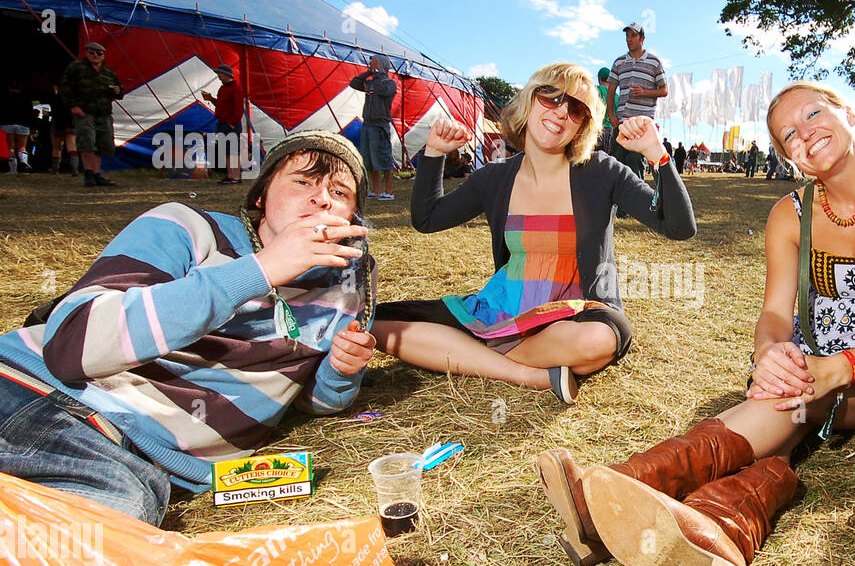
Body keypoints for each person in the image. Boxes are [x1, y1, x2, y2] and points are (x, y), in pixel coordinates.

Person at [536, 80, 855, 566]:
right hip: (805, 369)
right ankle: (718, 527)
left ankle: (625, 488)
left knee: (795, 399)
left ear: (848, 113)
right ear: (787, 155)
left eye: (815, 115)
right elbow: (776, 313)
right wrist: (769, 355)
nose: (806, 134)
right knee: (790, 397)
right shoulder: (790, 213)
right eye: (788, 135)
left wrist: (834, 370)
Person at [0, 131, 377, 525]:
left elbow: (310, 400)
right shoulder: (188, 228)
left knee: (100, 541)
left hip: (138, 466)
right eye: (303, 181)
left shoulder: (350, 283)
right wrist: (260, 270)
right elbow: (69, 346)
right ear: (260, 197)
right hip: (44, 397)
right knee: (94, 535)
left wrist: (340, 371)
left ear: (351, 217)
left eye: (340, 192)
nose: (322, 198)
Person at [372, 62, 695, 405]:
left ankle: (471, 353)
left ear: (583, 127)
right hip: (500, 308)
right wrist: (434, 153)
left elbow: (679, 227)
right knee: (375, 324)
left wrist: (657, 154)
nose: (560, 112)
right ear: (529, 98)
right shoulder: (495, 177)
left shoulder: (602, 172)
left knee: (602, 339)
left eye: (577, 109)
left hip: (574, 315)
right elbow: (427, 218)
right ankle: (526, 373)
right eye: (551, 96)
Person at [605, 23, 667, 181]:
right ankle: (615, 204)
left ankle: (637, 202)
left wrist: (645, 92)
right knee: (616, 164)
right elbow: (611, 90)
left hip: (641, 125)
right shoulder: (619, 62)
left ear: (642, 39)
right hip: (622, 123)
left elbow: (664, 90)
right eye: (627, 36)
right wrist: (611, 115)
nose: (629, 39)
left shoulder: (654, 62)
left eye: (633, 36)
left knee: (634, 161)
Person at [59, 41, 121, 188]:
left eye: (99, 53)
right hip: (84, 111)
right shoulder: (77, 68)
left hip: (103, 112)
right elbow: (66, 88)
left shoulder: (108, 73)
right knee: (87, 141)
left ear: (103, 56)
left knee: (101, 143)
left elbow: (119, 90)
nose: (95, 56)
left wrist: (118, 91)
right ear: (87, 53)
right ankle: (88, 173)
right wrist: (73, 106)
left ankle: (96, 174)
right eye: (92, 52)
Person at [349, 54, 398, 200]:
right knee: (369, 159)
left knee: (384, 158)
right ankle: (376, 191)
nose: (371, 63)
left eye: (374, 62)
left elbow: (382, 91)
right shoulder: (370, 83)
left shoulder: (389, 83)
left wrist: (376, 73)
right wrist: (369, 72)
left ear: (382, 64)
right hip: (367, 124)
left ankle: (388, 192)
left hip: (380, 125)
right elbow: (354, 83)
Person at [200, 63, 246, 184]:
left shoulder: (236, 88)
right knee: (226, 151)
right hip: (222, 123)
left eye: (219, 74)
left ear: (226, 74)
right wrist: (211, 99)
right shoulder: (223, 88)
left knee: (232, 151)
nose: (218, 76)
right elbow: (222, 105)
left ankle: (235, 176)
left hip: (231, 124)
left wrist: (233, 122)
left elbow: (239, 108)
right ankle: (230, 175)